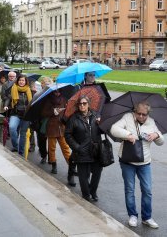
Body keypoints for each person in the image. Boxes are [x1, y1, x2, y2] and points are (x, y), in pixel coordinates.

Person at [110, 101, 164, 229]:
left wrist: (157, 135)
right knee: (130, 189)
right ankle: (132, 215)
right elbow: (114, 129)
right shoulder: (128, 118)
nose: (140, 116)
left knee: (148, 190)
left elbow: (161, 142)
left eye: (144, 114)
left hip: (145, 162)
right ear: (134, 112)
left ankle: (147, 217)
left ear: (148, 114)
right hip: (127, 161)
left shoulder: (151, 122)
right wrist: (128, 135)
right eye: (138, 113)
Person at [65, 95, 103, 201]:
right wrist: (77, 147)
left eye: (84, 103)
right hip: (82, 150)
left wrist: (101, 124)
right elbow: (67, 135)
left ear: (88, 104)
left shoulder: (96, 115)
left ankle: (93, 191)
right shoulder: (73, 118)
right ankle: (86, 195)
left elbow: (103, 131)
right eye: (80, 104)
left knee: (97, 173)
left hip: (96, 149)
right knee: (83, 175)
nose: (82, 105)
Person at [41, 89, 71, 174]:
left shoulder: (64, 99)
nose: (57, 93)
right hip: (51, 127)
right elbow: (43, 113)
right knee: (51, 148)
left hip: (61, 127)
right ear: (52, 92)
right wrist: (54, 111)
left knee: (65, 147)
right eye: (55, 92)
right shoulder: (48, 100)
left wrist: (65, 114)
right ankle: (54, 165)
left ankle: (71, 165)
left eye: (58, 92)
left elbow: (67, 112)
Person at [4, 75, 32, 156]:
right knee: (12, 128)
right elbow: (8, 98)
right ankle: (16, 146)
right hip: (15, 113)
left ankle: (21, 152)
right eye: (20, 80)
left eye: (23, 80)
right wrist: (6, 105)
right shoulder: (13, 88)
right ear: (17, 81)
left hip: (26, 115)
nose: (21, 82)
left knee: (23, 133)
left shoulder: (29, 90)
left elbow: (32, 102)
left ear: (26, 82)